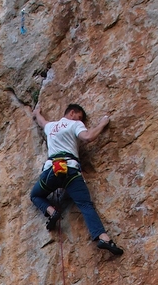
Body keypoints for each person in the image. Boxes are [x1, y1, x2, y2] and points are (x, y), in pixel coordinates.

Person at [30, 102, 123, 256]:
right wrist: (102, 123)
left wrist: (37, 112)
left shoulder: (51, 126)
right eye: (79, 117)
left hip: (52, 171)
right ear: (72, 113)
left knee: (35, 195)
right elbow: (88, 137)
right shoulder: (74, 124)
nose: (80, 121)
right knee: (85, 205)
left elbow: (41, 121)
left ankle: (52, 212)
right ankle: (103, 238)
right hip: (71, 171)